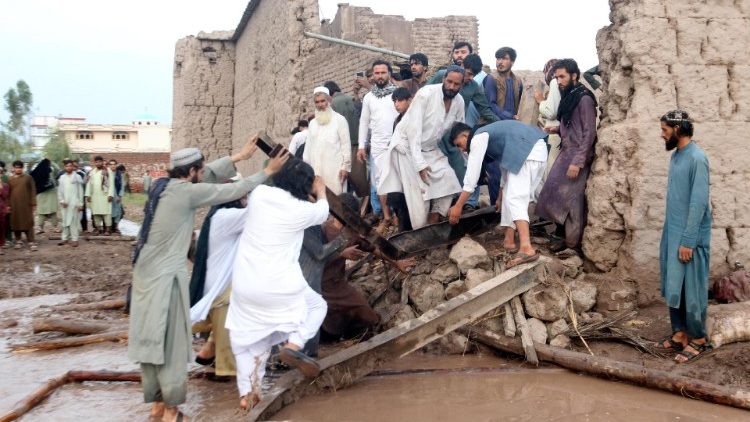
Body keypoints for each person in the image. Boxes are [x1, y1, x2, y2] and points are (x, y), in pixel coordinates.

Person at [127, 139, 288, 422]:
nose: (203, 173)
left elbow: (210, 175)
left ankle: (155, 407)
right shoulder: (186, 195)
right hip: (166, 282)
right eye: (199, 171)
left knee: (151, 342)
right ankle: (172, 413)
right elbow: (229, 188)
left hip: (144, 279)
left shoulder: (161, 187)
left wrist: (239, 155)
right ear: (190, 173)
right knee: (173, 346)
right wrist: (268, 171)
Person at [226, 160, 329, 410]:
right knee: (317, 307)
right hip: (281, 284)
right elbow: (323, 211)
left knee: (249, 342)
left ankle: (247, 393)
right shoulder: (302, 210)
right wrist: (321, 190)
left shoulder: (260, 194)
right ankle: (294, 345)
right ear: (305, 186)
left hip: (245, 284)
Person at [653, 110, 712, 363]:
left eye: (665, 129)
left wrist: (688, 240)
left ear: (678, 130)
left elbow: (698, 204)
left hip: (690, 235)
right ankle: (679, 334)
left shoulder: (697, 158)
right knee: (673, 284)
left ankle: (697, 338)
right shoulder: (677, 156)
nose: (662, 133)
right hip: (672, 231)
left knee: (692, 288)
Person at [448, 121, 548, 267]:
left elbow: (471, 179)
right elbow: (505, 170)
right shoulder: (490, 134)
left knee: (515, 198)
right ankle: (509, 241)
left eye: (459, 144)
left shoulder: (477, 137)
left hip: (527, 152)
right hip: (535, 151)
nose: (461, 150)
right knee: (509, 195)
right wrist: (500, 197)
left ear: (465, 135)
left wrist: (458, 206)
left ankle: (526, 248)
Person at [378, 65, 465, 228]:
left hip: (430, 148)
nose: (452, 87)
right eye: (449, 82)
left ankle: (434, 221)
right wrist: (419, 164)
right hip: (406, 147)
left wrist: (468, 157)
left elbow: (460, 131)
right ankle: (420, 232)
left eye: (456, 84)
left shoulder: (459, 102)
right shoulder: (426, 94)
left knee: (449, 179)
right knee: (419, 195)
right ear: (444, 79)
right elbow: (413, 131)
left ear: (462, 85)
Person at [536, 59, 597, 252]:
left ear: (574, 76)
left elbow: (589, 133)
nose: (559, 81)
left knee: (573, 202)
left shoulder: (584, 98)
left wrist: (578, 162)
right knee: (555, 194)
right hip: (567, 151)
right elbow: (574, 126)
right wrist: (557, 129)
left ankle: (572, 246)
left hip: (577, 155)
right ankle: (562, 237)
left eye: (562, 76)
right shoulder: (571, 96)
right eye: (556, 77)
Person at [189, 196, 249, 379]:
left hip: (213, 282)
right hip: (222, 288)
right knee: (226, 329)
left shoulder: (216, 216)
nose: (246, 200)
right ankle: (224, 371)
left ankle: (208, 353)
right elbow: (257, 213)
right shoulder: (228, 216)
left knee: (220, 326)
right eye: (243, 197)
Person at [357, 60, 399, 232]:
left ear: (389, 74)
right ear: (373, 76)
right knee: (380, 182)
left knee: (397, 180)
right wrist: (361, 146)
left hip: (396, 143)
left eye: (383, 72)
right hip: (377, 146)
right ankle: (386, 217)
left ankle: (398, 215)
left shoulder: (397, 94)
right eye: (377, 73)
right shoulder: (368, 98)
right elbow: (364, 122)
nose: (380, 76)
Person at [303, 86, 351, 195]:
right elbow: (308, 149)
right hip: (316, 171)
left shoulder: (340, 120)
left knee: (336, 201)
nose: (320, 105)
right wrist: (307, 170)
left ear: (328, 100)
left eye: (322, 101)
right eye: (317, 102)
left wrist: (345, 168)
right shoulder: (312, 123)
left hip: (335, 170)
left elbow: (346, 146)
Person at [326, 80, 368, 197]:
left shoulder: (332, 105)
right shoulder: (351, 99)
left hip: (343, 145)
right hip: (358, 142)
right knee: (361, 177)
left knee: (346, 178)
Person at [535, 59, 562, 181]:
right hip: (560, 132)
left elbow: (551, 112)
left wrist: (540, 101)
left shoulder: (554, 82)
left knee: (550, 172)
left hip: (555, 134)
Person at [485, 47, 523, 121]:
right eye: (498, 59)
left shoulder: (518, 81)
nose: (500, 62)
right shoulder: (491, 78)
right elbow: (491, 105)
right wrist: (509, 116)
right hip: (495, 122)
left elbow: (521, 101)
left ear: (512, 62)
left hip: (514, 122)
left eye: (504, 58)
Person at [8, 161, 37, 251]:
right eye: (16, 167)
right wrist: (8, 205)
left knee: (28, 222)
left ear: (22, 168)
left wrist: (33, 203)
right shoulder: (10, 179)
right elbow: (8, 193)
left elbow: (33, 190)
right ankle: (18, 240)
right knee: (16, 221)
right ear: (13, 168)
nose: (18, 169)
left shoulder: (28, 178)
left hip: (26, 205)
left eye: (20, 167)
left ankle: (31, 241)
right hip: (14, 205)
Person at [57, 159, 84, 247]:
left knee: (73, 222)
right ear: (64, 167)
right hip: (65, 204)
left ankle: (74, 239)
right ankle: (64, 238)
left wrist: (80, 204)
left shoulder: (77, 177)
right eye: (67, 166)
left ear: (73, 166)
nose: (69, 167)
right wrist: (62, 201)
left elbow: (80, 191)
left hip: (74, 203)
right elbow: (60, 191)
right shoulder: (62, 178)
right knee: (65, 221)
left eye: (70, 166)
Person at [85, 156, 115, 235]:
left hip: (105, 195)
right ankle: (98, 229)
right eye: (96, 162)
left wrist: (110, 195)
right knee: (96, 213)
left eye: (100, 162)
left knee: (107, 213)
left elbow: (111, 184)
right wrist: (88, 195)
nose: (98, 163)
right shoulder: (92, 172)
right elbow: (88, 184)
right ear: (95, 163)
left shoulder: (108, 171)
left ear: (102, 162)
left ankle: (108, 230)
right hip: (94, 196)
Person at [31, 158, 59, 235]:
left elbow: (57, 171)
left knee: (51, 211)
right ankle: (42, 227)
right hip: (43, 195)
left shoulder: (50, 171)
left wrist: (51, 163)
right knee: (42, 212)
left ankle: (53, 227)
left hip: (49, 194)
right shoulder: (42, 171)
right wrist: (52, 162)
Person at [109, 160, 125, 234]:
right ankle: (109, 227)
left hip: (117, 195)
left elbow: (122, 185)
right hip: (109, 196)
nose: (113, 166)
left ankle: (116, 227)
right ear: (109, 165)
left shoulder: (119, 174)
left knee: (118, 212)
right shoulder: (106, 173)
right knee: (109, 211)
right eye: (111, 164)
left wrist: (120, 195)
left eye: (114, 164)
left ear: (116, 165)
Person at [0, 165, 9, 254]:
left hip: (1, 208)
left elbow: (5, 196)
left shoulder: (5, 185)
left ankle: (0, 246)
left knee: (1, 227)